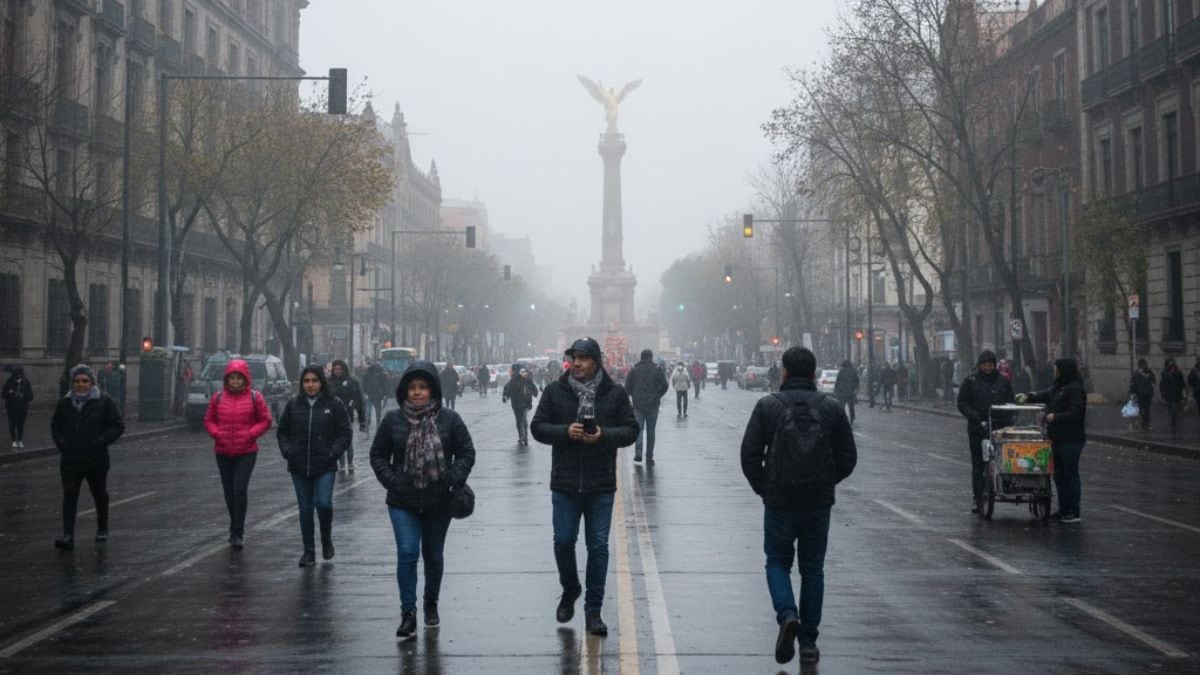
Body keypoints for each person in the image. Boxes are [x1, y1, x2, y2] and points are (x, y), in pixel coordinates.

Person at [740, 346, 857, 665]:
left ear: (785, 372)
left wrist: (765, 488)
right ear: (815, 373)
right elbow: (849, 457)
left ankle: (787, 613)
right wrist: (827, 482)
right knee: (813, 569)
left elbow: (749, 455)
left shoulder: (768, 406)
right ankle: (808, 642)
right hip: (818, 504)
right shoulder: (831, 408)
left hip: (779, 501)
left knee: (777, 562)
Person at [531, 337, 639, 637]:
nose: (576, 363)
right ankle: (571, 588)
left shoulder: (615, 394)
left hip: (601, 483)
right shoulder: (555, 391)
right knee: (563, 542)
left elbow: (631, 430)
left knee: (598, 547)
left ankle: (593, 611)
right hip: (565, 482)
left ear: (596, 361)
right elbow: (537, 427)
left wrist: (602, 434)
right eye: (573, 357)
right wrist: (565, 432)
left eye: (583, 358)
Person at [370, 361, 476, 638]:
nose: (417, 393)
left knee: (432, 554)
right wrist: (392, 481)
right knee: (407, 553)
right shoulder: (392, 420)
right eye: (412, 388)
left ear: (433, 390)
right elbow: (378, 455)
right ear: (405, 391)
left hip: (438, 500)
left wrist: (453, 477)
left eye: (423, 387)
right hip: (402, 500)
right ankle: (408, 613)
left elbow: (467, 452)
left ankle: (431, 603)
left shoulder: (450, 419)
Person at [277, 365, 352, 566]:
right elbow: (282, 432)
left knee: (323, 503)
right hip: (299, 465)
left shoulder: (334, 404)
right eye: (307, 381)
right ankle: (309, 551)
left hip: (325, 465)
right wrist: (288, 451)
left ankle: (326, 538)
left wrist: (333, 452)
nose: (311, 385)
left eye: (315, 381)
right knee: (305, 509)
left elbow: (345, 433)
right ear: (302, 384)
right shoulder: (294, 405)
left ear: (321, 382)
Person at [51, 364, 125, 550]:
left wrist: (100, 441)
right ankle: (68, 535)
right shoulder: (64, 403)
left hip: (96, 459)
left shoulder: (104, 401)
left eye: (85, 381)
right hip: (70, 460)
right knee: (69, 496)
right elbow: (55, 426)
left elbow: (117, 425)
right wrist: (62, 444)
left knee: (99, 495)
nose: (80, 385)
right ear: (72, 383)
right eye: (77, 381)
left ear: (92, 383)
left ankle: (102, 528)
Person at [204, 359, 272, 548]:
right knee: (229, 492)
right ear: (227, 379)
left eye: (238, 378)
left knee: (239, 490)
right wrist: (217, 434)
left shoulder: (254, 397)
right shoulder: (218, 398)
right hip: (223, 451)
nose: (235, 382)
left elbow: (265, 420)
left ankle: (238, 531)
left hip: (246, 451)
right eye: (232, 378)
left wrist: (251, 434)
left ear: (245, 379)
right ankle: (234, 524)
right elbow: (209, 420)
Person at [1016, 358, 1086, 523]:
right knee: (1059, 476)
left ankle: (1073, 511)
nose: (1054, 372)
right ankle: (1063, 508)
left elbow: (1076, 414)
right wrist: (1028, 396)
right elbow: (1045, 394)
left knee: (1070, 475)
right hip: (1057, 439)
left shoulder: (1075, 389)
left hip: (1071, 439)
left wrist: (1055, 417)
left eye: (1057, 369)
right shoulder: (1059, 387)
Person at [956, 350, 1014, 512]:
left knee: (1001, 460)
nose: (987, 368)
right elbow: (962, 403)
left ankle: (998, 487)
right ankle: (978, 496)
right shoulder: (970, 381)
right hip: (977, 429)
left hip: (999, 428)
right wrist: (974, 416)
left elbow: (1010, 400)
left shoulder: (1002, 381)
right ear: (979, 366)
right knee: (978, 465)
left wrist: (1007, 416)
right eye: (984, 365)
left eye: (990, 365)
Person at [624, 349, 670, 464]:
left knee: (639, 430)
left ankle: (638, 454)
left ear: (641, 357)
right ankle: (649, 457)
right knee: (651, 432)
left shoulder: (634, 370)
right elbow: (665, 385)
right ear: (651, 357)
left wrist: (633, 395)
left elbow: (627, 386)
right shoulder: (657, 369)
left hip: (638, 404)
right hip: (653, 404)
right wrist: (657, 395)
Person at [329, 359, 367, 472]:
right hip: (333, 417)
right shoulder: (329, 382)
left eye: (339, 369)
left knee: (347, 440)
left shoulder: (352, 381)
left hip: (347, 415)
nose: (337, 371)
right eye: (335, 369)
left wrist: (362, 418)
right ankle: (341, 464)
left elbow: (359, 400)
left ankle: (350, 463)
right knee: (338, 440)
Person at [502, 366, 540, 447]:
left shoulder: (527, 381)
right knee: (519, 420)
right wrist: (505, 397)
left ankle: (524, 435)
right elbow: (508, 390)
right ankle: (521, 436)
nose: (525, 374)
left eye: (525, 373)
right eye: (523, 373)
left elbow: (534, 390)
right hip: (517, 404)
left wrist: (533, 393)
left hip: (524, 403)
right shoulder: (514, 381)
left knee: (523, 418)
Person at [2, 365, 33, 448]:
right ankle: (13, 440)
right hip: (11, 407)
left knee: (20, 424)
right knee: (12, 424)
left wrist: (24, 397)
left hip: (22, 407)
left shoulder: (26, 382)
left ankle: (19, 440)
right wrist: (10, 392)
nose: (19, 376)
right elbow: (3, 395)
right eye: (17, 374)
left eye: (20, 374)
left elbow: (31, 396)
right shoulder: (9, 382)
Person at [1160, 358, 1185, 437]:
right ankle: (1173, 426)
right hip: (1170, 396)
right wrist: (1163, 396)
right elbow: (1162, 386)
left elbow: (1182, 384)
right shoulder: (1165, 374)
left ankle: (1176, 425)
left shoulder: (1178, 374)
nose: (1173, 367)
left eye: (1173, 365)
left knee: (1177, 412)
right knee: (1172, 411)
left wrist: (1184, 394)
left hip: (1178, 395)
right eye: (1171, 365)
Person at [1129, 358, 1155, 431]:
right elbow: (1133, 384)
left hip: (1145, 394)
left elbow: (1153, 381)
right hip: (1142, 394)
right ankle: (1144, 424)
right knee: (1144, 410)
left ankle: (1145, 424)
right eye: (1142, 365)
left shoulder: (1147, 372)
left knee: (1145, 410)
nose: (1143, 366)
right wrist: (1132, 392)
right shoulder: (1138, 373)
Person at [362, 361, 389, 429]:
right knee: (377, 411)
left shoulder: (368, 374)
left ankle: (368, 424)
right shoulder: (381, 374)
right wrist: (384, 394)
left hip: (371, 395)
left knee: (369, 411)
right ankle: (376, 423)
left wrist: (365, 392)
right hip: (377, 396)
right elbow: (385, 385)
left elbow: (364, 384)